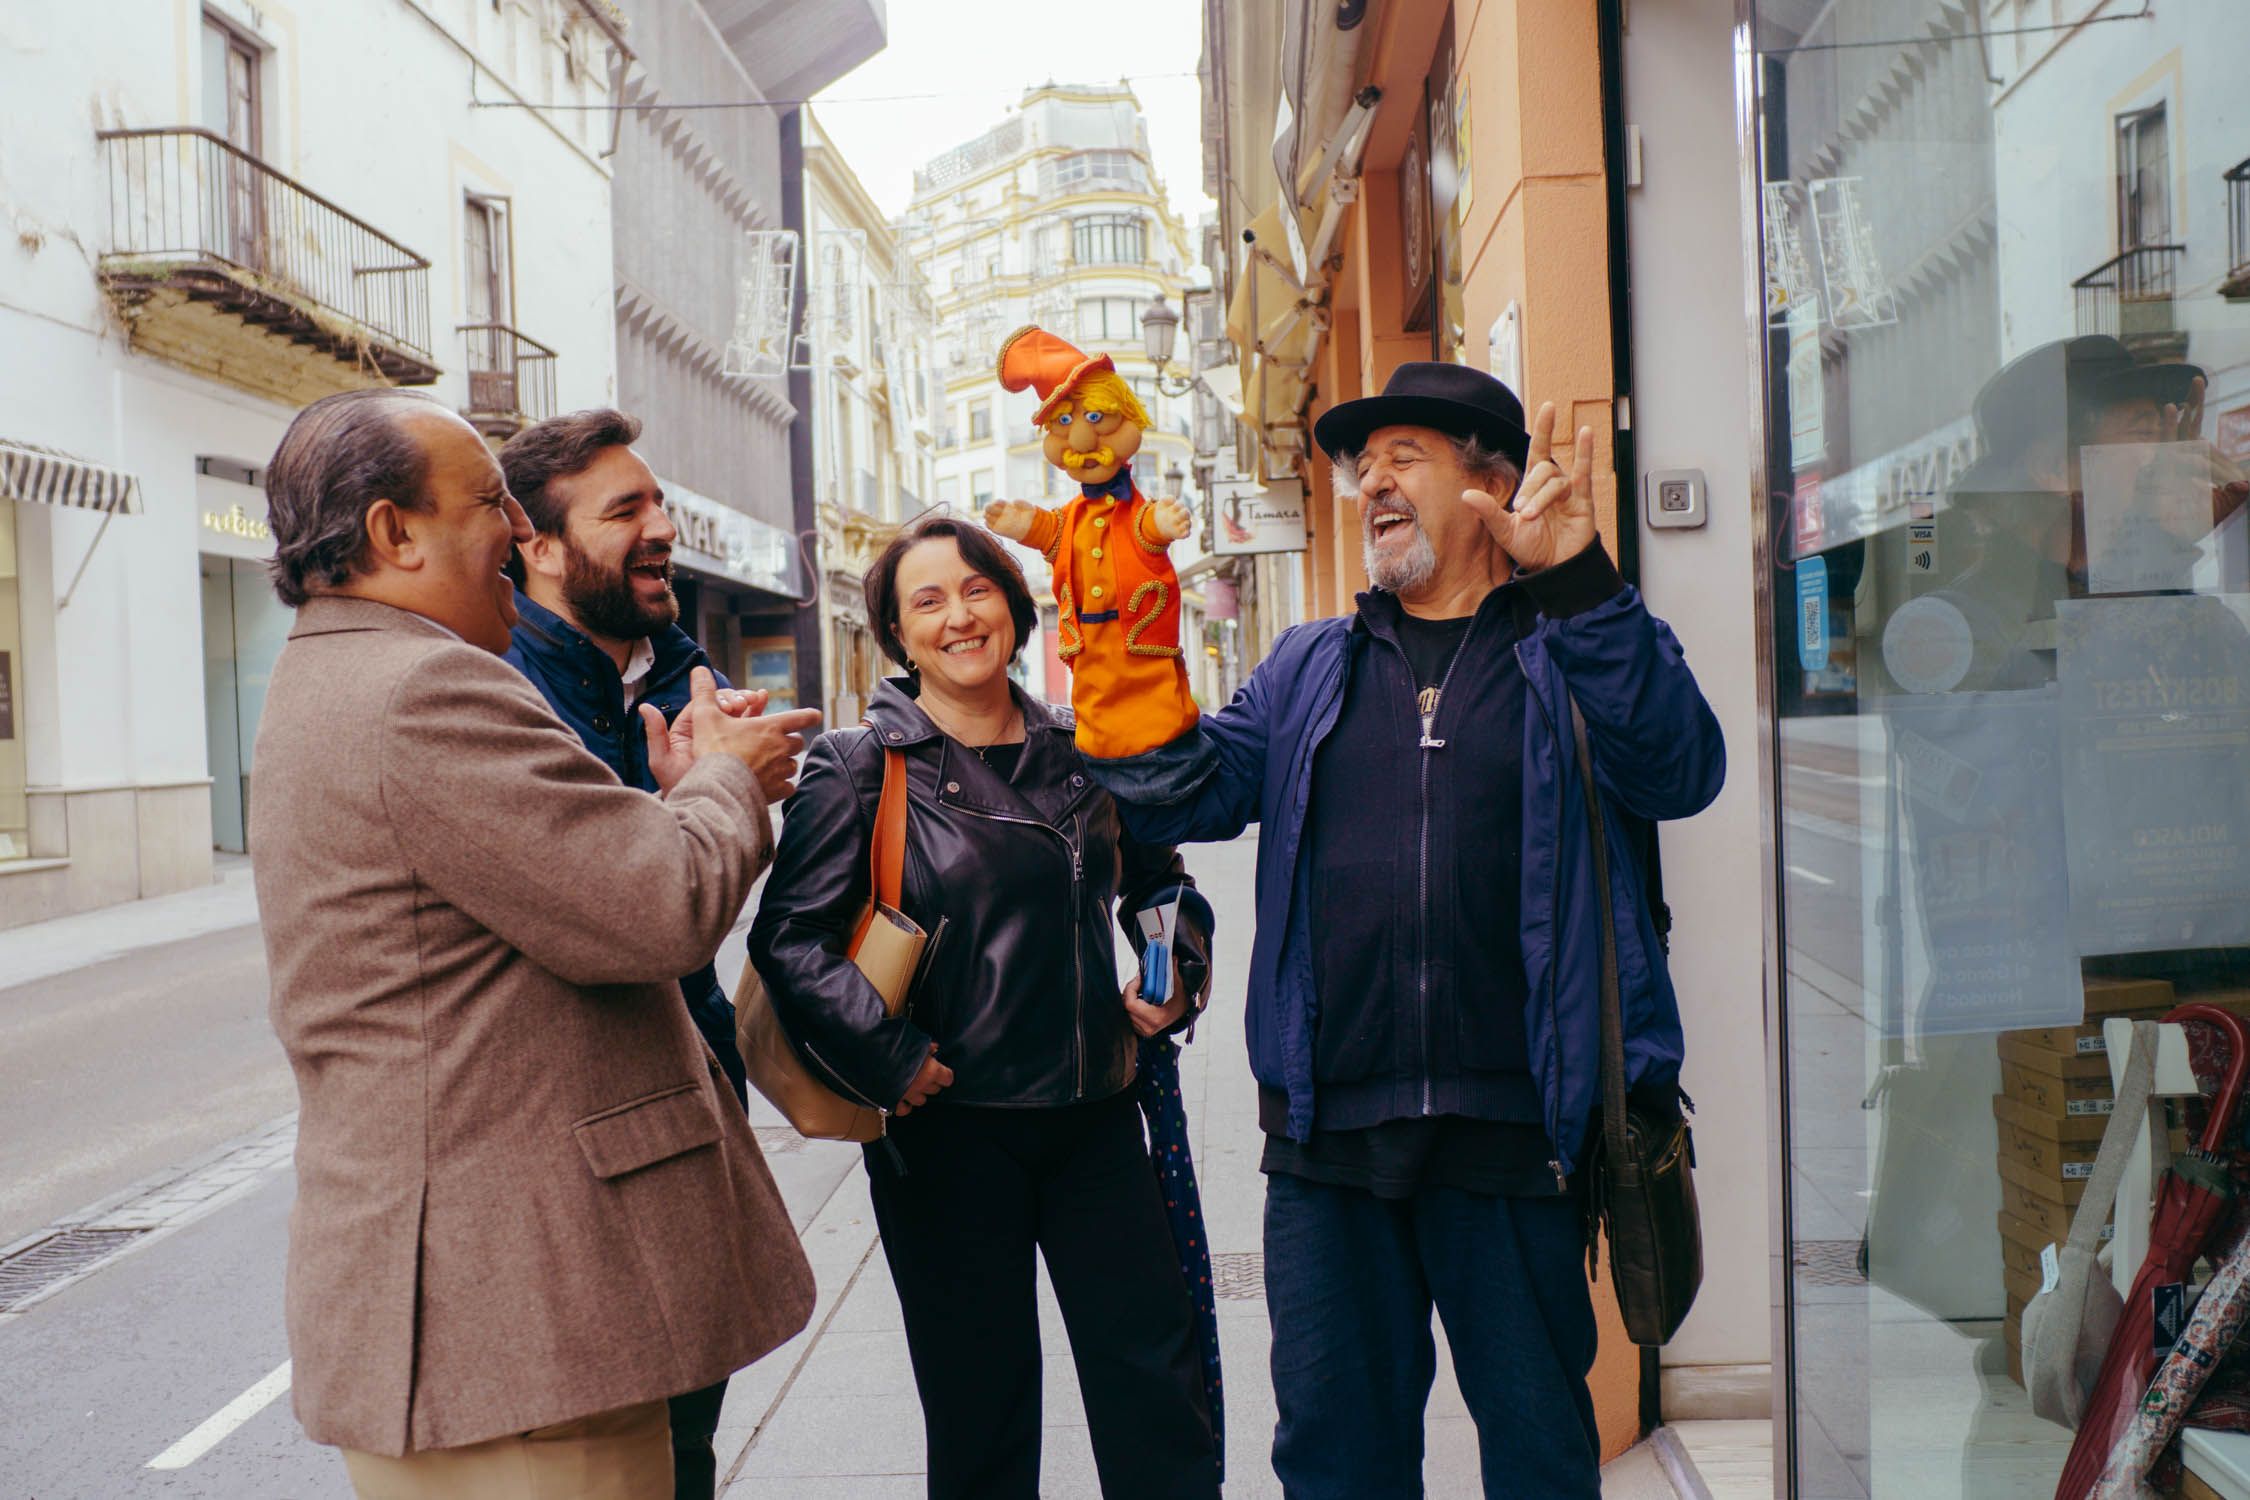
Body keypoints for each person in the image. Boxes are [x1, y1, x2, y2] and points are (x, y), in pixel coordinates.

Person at [1093, 362, 1726, 1498]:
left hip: (1517, 1139)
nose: (1370, 483)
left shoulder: (1570, 648)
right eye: (1361, 465)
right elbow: (1183, 790)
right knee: (1336, 1461)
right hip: (1329, 1147)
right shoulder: (1304, 667)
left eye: (1404, 458)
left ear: (1490, 484)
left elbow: (1681, 768)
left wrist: (1583, 585)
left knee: (1539, 1456)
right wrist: (1115, 674)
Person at [248, 388, 822, 1499]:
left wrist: (668, 805)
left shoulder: (333, 673)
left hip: (470, 1325)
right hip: (516, 1334)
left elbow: (545, 894)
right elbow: (661, 908)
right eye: (490, 504)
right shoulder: (427, 686)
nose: (517, 533)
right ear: (391, 532)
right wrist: (724, 781)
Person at [748, 510, 1223, 1500]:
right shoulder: (859, 766)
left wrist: (1170, 963)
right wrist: (889, 1056)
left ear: (1014, 608)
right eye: (928, 601)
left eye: (977, 591)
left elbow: (1159, 882)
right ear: (898, 633)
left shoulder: (1083, 746)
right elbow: (788, 937)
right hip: (949, 1136)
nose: (959, 617)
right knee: (982, 1415)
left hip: (1097, 1117)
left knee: (1156, 1396)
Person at [496, 406, 757, 1499]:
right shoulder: (511, 693)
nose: (661, 528)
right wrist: (709, 795)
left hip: (690, 1089)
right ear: (540, 548)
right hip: (588, 1143)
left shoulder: (672, 668)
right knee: (631, 1452)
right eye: (625, 511)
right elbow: (623, 912)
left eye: (659, 503)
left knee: (687, 1443)